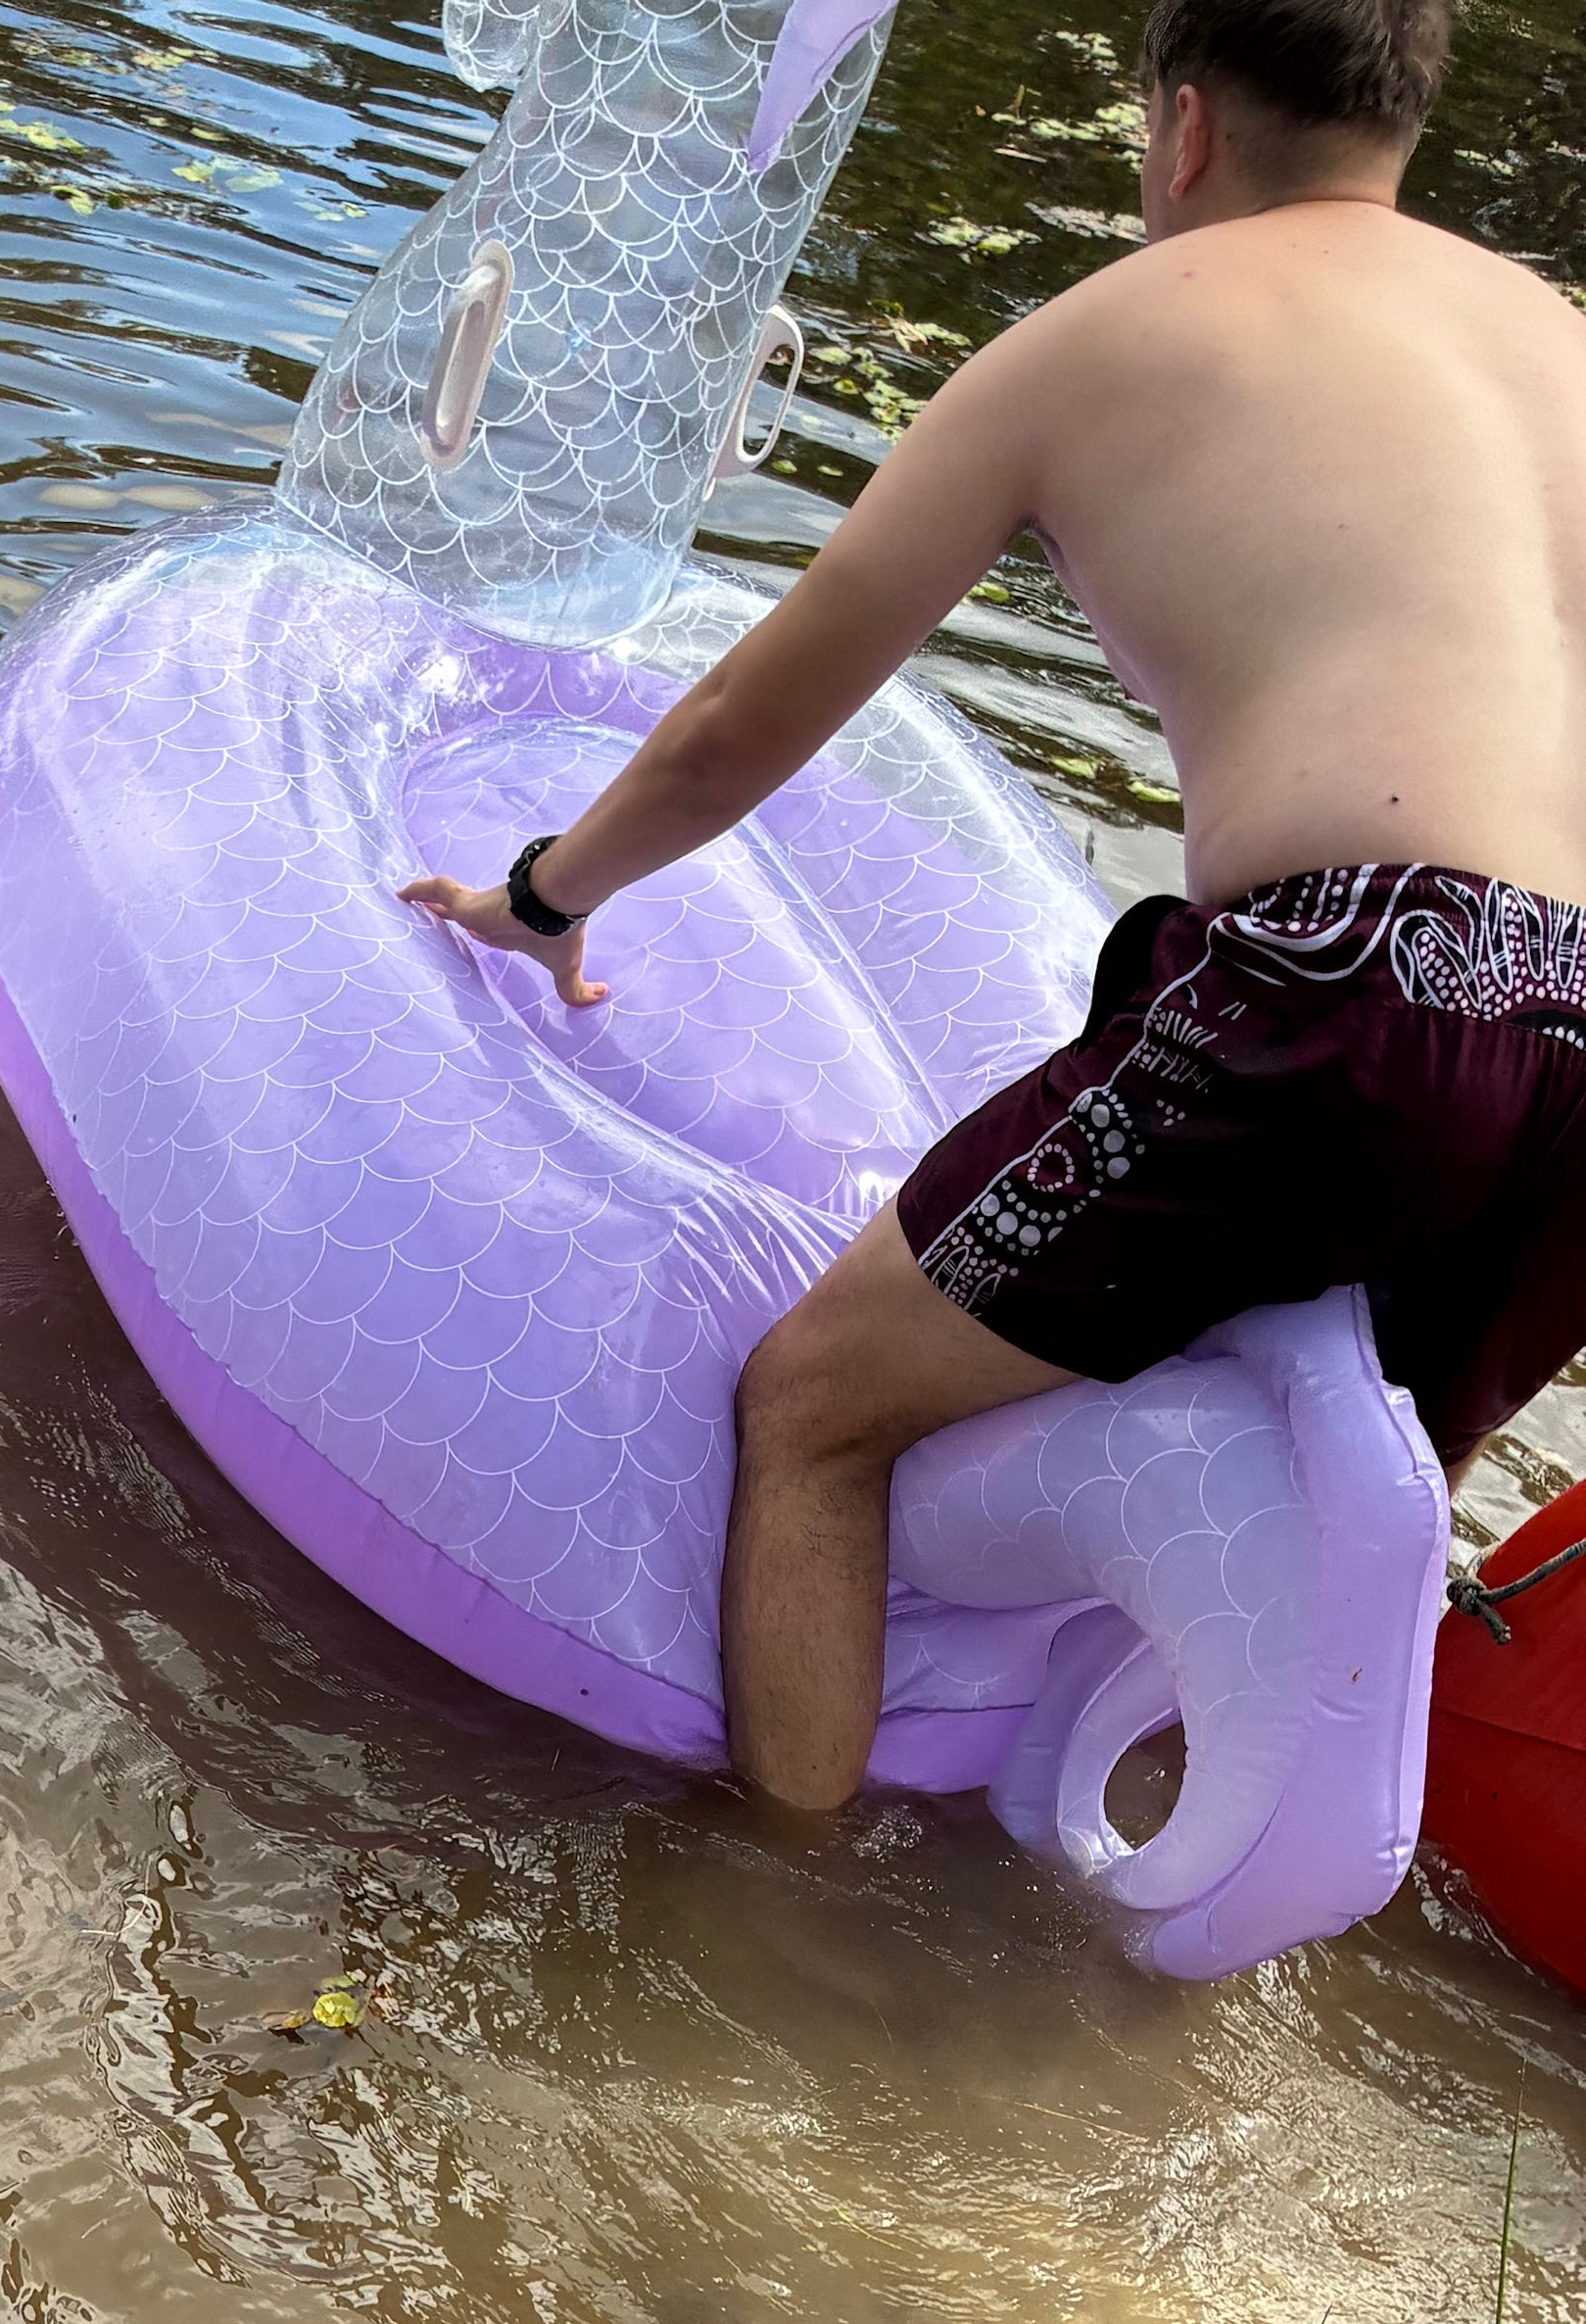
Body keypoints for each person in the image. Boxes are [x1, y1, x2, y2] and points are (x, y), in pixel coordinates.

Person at [406, 0, 1586, 1813]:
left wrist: (550, 892)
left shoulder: (1111, 332)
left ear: (1183, 127)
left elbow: (742, 724)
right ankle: (1195, 1901)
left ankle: (760, 1925)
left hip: (1353, 1001)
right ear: (1404, 117)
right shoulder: (1557, 345)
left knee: (816, 1409)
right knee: (1339, 1510)